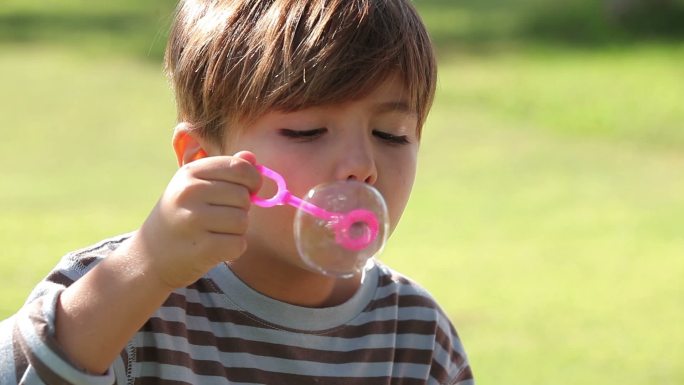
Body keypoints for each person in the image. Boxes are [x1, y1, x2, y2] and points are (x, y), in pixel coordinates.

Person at [0, 0, 474, 384]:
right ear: (202, 158)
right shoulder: (124, 298)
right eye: (307, 130)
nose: (361, 167)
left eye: (391, 133)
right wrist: (145, 268)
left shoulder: (416, 336)